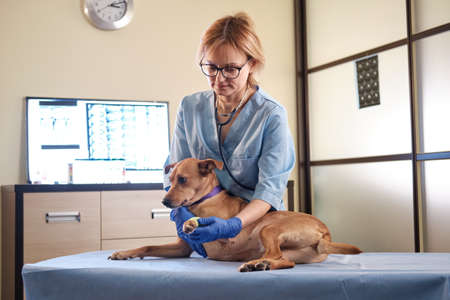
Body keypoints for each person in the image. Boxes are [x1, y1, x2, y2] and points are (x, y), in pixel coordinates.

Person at [164, 12, 295, 257]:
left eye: (231, 69)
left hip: (256, 228)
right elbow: (176, 168)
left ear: (252, 64)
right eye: (211, 67)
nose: (219, 78)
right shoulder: (190, 107)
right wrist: (180, 211)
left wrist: (232, 224)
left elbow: (269, 191)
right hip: (203, 221)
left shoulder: (271, 115)